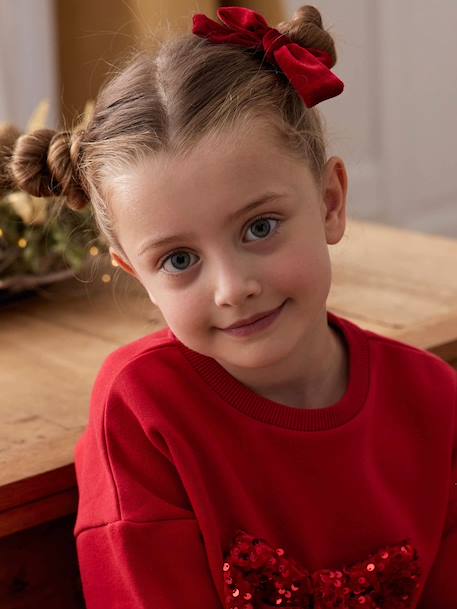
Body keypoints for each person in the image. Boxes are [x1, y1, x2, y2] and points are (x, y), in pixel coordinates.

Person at [0, 5, 455, 608]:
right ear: (136, 275)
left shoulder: (433, 395)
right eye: (180, 260)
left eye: (260, 227)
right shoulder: (143, 411)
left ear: (330, 201)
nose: (232, 287)